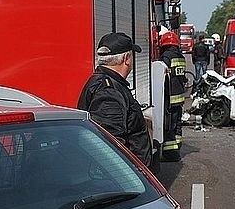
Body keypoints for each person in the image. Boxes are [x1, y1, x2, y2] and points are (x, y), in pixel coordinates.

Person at [77, 32, 152, 167]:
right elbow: (110, 145)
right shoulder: (109, 92)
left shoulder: (103, 83)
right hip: (124, 179)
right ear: (127, 58)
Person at [159, 31, 187, 162]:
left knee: (169, 125)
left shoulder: (166, 56)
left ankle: (170, 154)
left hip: (170, 97)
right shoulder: (180, 56)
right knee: (177, 124)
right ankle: (177, 145)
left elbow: (161, 73)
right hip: (180, 97)